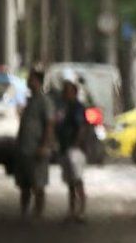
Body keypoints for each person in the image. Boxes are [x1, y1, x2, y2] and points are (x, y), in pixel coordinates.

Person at [14, 69, 55, 220]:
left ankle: (38, 212)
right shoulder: (30, 100)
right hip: (25, 148)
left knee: (38, 184)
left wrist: (44, 145)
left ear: (38, 81)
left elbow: (49, 124)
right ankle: (24, 212)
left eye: (31, 79)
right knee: (24, 184)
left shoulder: (44, 101)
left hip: (36, 148)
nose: (28, 82)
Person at [56, 80, 88, 222]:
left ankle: (81, 210)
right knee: (70, 181)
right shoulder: (63, 107)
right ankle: (71, 210)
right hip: (64, 147)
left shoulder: (77, 107)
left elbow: (81, 127)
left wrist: (76, 144)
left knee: (77, 179)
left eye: (67, 91)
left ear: (74, 92)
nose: (64, 93)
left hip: (74, 149)